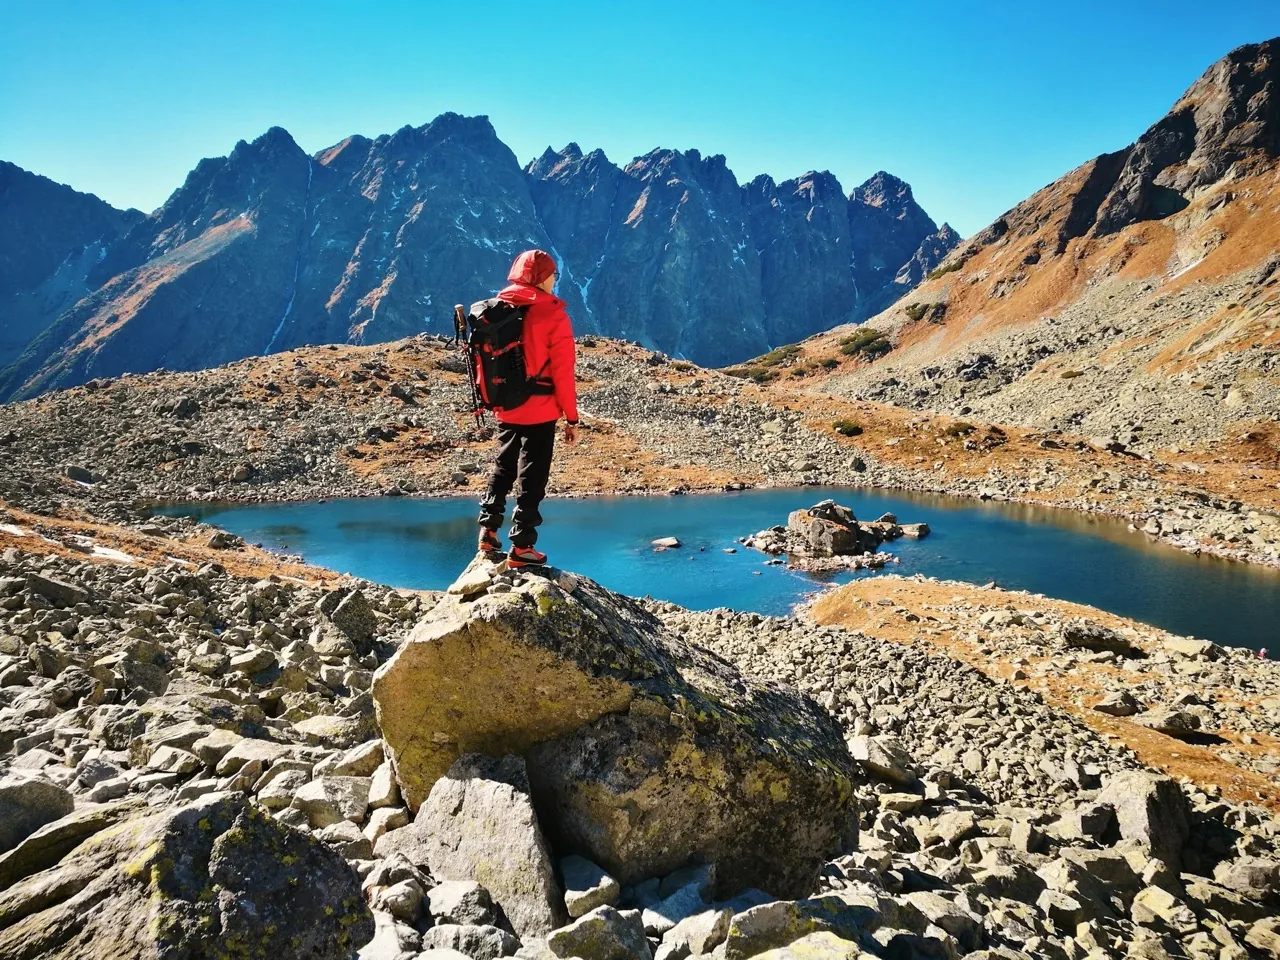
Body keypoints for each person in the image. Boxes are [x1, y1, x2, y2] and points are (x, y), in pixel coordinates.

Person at [477, 249, 579, 567]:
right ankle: (522, 546)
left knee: (503, 466)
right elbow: (563, 372)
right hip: (541, 409)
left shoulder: (498, 309)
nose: (554, 281)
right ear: (541, 278)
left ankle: (488, 531)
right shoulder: (553, 314)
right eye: (552, 276)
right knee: (532, 475)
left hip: (506, 405)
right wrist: (571, 419)